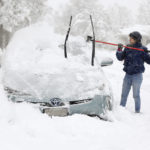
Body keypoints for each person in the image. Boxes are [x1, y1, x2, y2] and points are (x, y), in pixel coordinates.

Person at [116, 31, 150, 113]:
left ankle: (137, 111)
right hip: (127, 75)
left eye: (132, 38)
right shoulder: (128, 48)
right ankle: (121, 110)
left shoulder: (142, 49)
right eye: (130, 38)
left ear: (137, 39)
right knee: (124, 94)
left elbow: (149, 61)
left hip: (137, 76)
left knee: (136, 95)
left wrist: (147, 54)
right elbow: (120, 57)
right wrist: (119, 49)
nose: (130, 39)